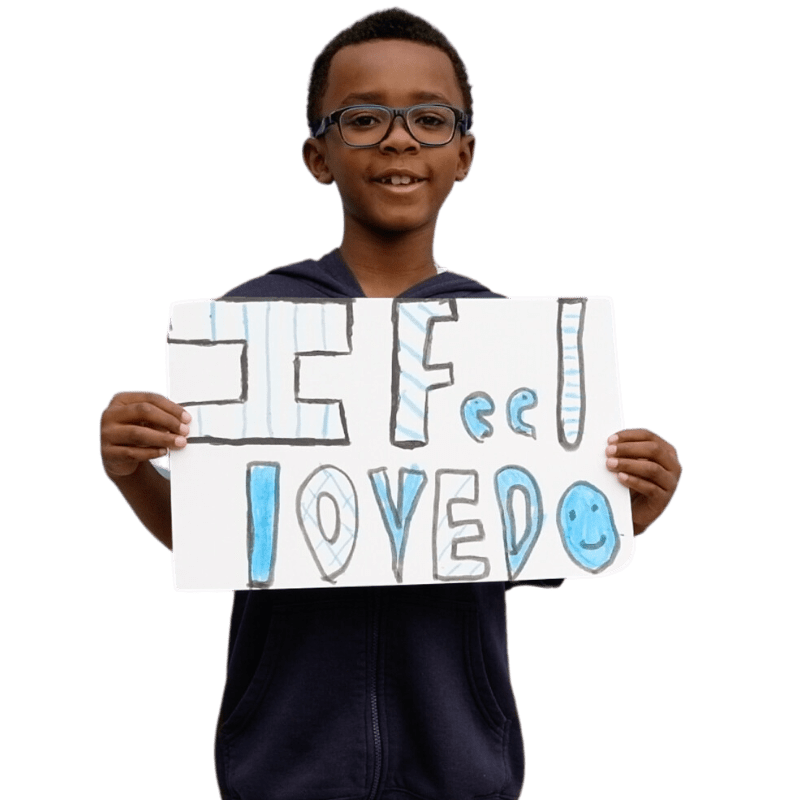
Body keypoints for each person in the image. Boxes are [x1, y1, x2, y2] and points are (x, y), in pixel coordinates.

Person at [99, 8, 682, 799]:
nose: (398, 140)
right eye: (364, 118)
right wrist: (133, 470)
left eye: (429, 119)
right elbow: (218, 540)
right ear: (318, 155)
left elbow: (516, 542)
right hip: (283, 760)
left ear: (464, 154)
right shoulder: (249, 321)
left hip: (457, 760)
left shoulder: (508, 340)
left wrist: (619, 512)